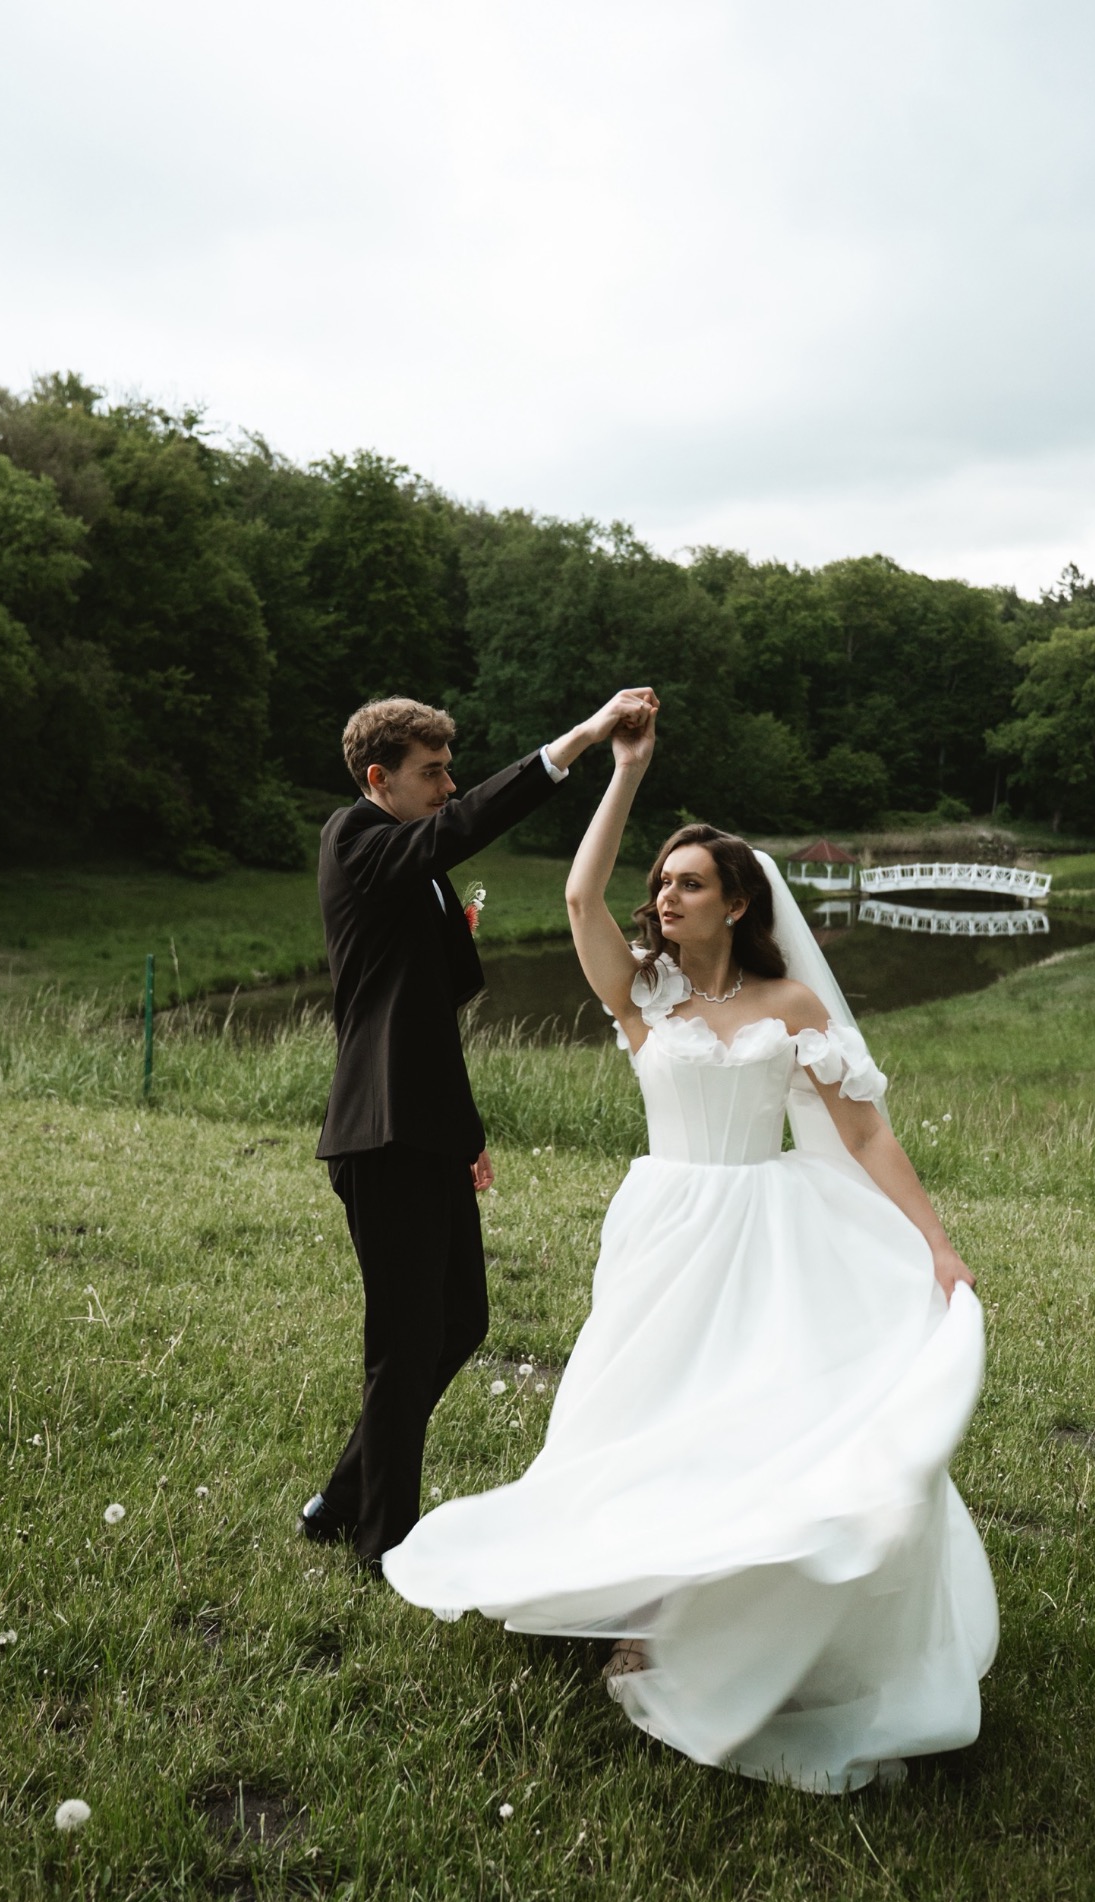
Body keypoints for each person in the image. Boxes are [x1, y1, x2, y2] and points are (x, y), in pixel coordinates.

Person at [382, 703, 998, 1792]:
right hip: (666, 1224)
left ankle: (710, 1613)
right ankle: (637, 1593)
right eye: (661, 884)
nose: (665, 897)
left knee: (750, 1415)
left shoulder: (790, 1000)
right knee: (642, 1413)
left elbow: (862, 1130)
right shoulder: (642, 993)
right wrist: (624, 770)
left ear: (739, 899)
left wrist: (937, 1247)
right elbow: (579, 896)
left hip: (768, 1223)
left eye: (689, 884)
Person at [300, 688, 658, 1571]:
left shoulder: (411, 862)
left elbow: (431, 1011)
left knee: (459, 1318)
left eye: (449, 770)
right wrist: (576, 742)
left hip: (422, 1124)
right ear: (378, 779)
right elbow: (456, 831)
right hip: (378, 1130)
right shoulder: (355, 838)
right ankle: (380, 1541)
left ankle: (340, 1500)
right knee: (404, 1339)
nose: (447, 786)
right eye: (432, 773)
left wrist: (465, 1135)